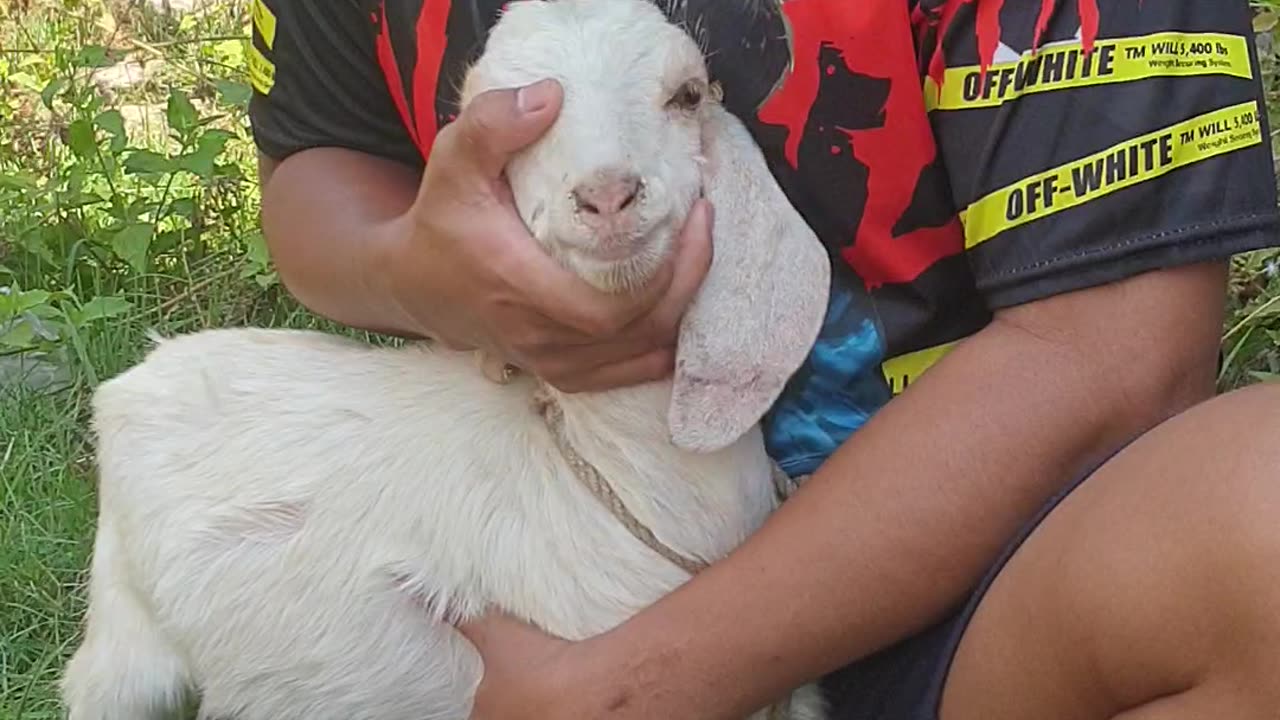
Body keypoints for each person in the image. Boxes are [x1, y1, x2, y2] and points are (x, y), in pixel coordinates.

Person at [247, 0, 1280, 717]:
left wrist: (623, 696)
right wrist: (410, 274)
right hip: (534, 576)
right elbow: (317, 163)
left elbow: (1116, 349)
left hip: (980, 592)